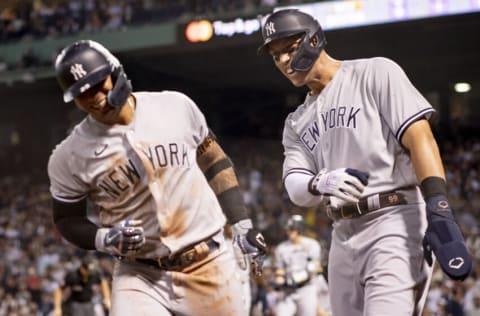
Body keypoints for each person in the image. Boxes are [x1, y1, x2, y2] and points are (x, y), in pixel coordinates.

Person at [257, 9, 472, 315]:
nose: (282, 61)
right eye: (275, 55)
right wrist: (318, 182)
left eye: (290, 49)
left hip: (394, 220)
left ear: (314, 40)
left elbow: (420, 138)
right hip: (342, 234)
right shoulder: (295, 122)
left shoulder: (374, 73)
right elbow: (295, 186)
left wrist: (439, 209)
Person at [47, 39, 267, 316]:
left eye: (97, 83)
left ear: (115, 72)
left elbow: (214, 160)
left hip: (209, 262)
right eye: (82, 92)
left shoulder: (174, 106)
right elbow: (66, 219)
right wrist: (104, 238)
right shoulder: (69, 155)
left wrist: (242, 224)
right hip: (140, 274)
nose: (94, 96)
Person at [272, 214, 323, 316]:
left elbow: (314, 268)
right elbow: (280, 269)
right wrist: (278, 280)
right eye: (288, 229)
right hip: (288, 291)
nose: (288, 232)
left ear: (299, 229)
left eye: (292, 229)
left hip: (307, 289)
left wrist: (294, 279)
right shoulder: (282, 248)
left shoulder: (312, 245)